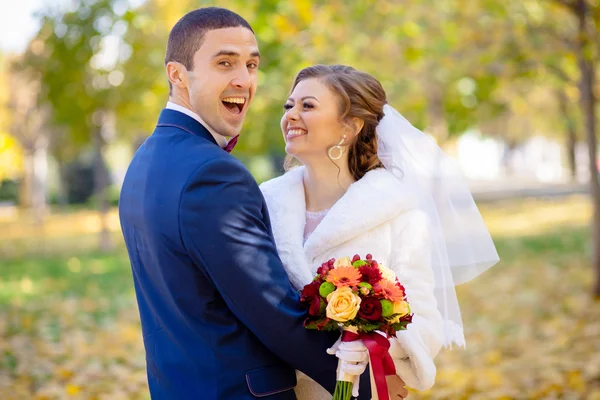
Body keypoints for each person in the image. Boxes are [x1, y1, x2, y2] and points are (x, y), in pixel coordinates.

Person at [118, 10, 371, 399]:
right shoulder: (213, 174)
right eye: (224, 63)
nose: (244, 79)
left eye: (251, 64)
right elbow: (272, 312)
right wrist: (361, 384)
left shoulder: (143, 162)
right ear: (177, 74)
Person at [260, 64, 500, 398]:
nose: (291, 116)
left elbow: (425, 323)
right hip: (275, 389)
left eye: (308, 106)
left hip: (361, 388)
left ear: (350, 126)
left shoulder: (399, 213)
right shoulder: (263, 204)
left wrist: (375, 345)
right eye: (289, 106)